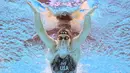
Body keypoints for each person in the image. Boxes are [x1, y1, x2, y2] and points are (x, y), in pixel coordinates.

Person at [27, 0, 97, 73]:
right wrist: (88, 16)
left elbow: (41, 31)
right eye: (65, 37)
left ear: (56, 38)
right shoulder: (73, 47)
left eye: (61, 37)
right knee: (78, 20)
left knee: (48, 23)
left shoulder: (54, 46)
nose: (63, 36)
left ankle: (44, 10)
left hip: (56, 61)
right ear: (70, 37)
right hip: (69, 61)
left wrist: (36, 14)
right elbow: (85, 32)